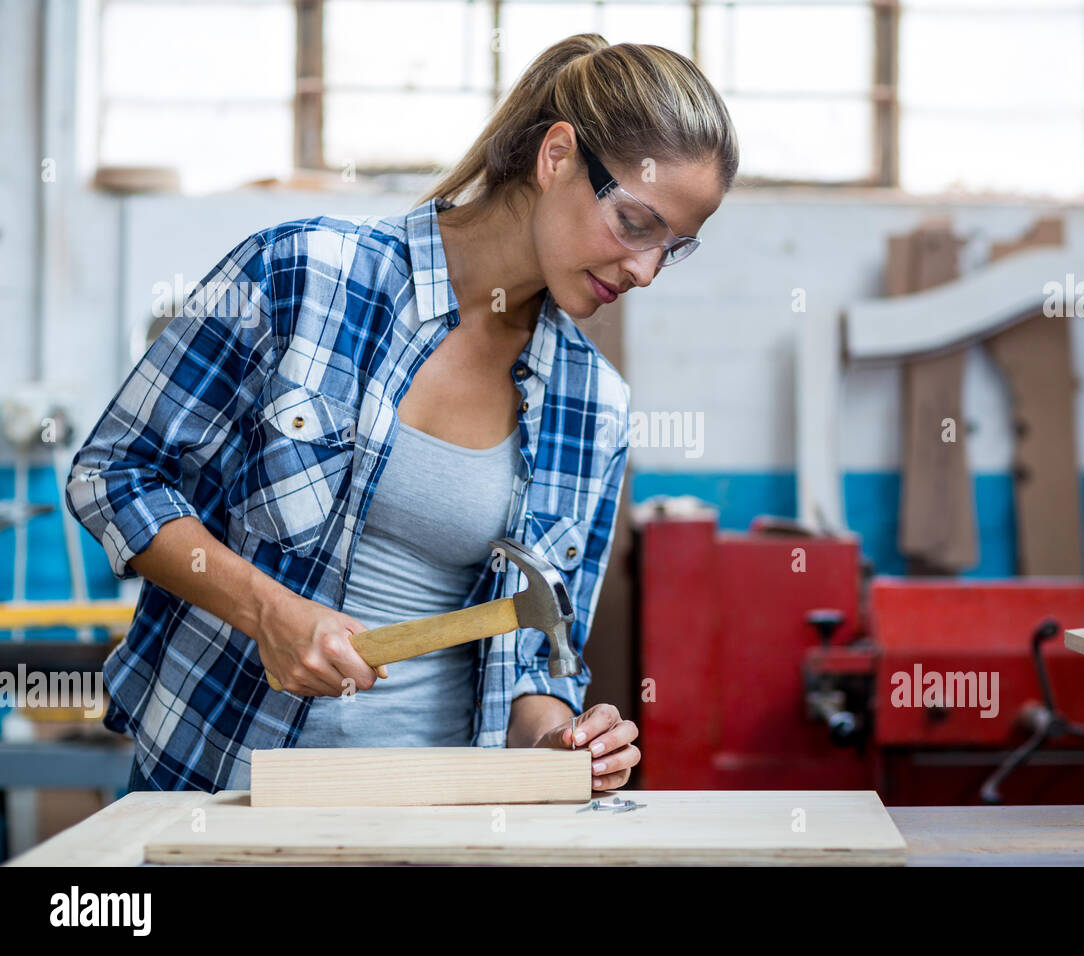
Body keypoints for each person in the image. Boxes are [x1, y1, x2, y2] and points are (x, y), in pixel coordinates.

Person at [65, 33, 739, 794]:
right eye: (637, 224)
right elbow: (113, 473)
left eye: (673, 247)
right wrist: (268, 613)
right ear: (557, 158)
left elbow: (535, 660)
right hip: (222, 784)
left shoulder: (595, 407)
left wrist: (560, 741)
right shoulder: (303, 276)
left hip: (437, 816)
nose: (645, 271)